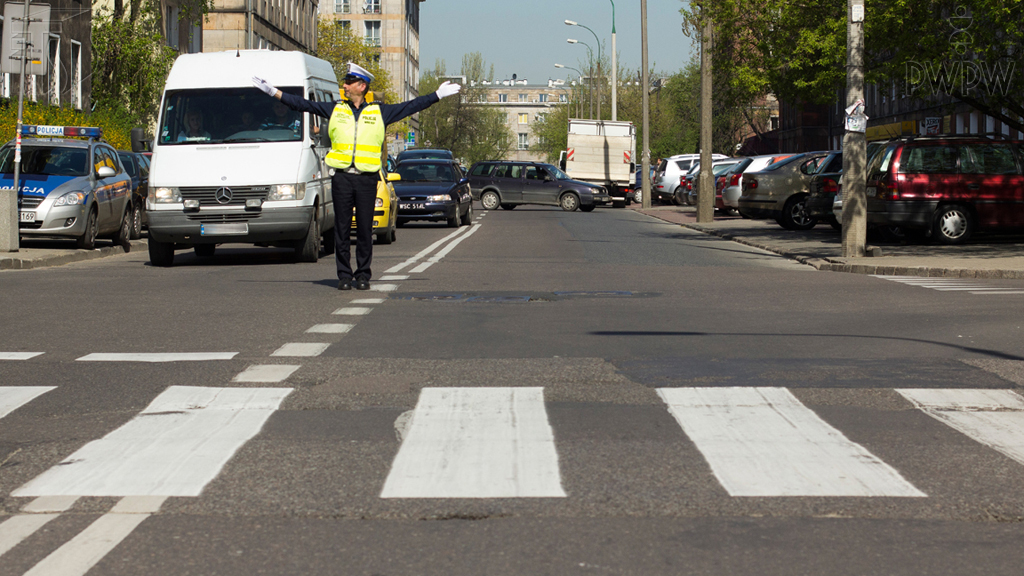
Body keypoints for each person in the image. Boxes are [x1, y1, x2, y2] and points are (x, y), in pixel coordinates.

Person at [253, 63, 460, 291]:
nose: (345, 86)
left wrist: (437, 95)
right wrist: (274, 93)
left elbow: (411, 106)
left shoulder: (379, 112)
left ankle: (363, 275)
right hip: (342, 178)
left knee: (364, 229)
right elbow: (303, 104)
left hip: (367, 179)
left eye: (349, 83)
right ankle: (344, 276)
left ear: (361, 86)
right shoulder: (336, 109)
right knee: (342, 229)